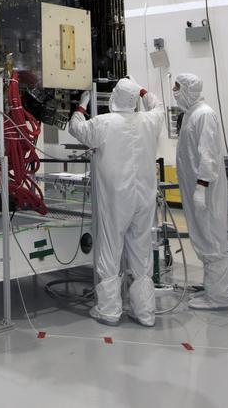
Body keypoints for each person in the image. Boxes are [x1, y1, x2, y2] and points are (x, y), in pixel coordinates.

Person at [66, 78, 162, 326]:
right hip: (144, 199)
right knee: (141, 251)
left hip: (117, 199)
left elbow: (76, 128)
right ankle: (144, 312)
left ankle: (109, 310)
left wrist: (81, 105)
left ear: (115, 98)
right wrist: (140, 89)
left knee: (110, 248)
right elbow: (157, 104)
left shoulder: (104, 123)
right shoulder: (150, 121)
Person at [174, 73, 228, 310]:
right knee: (202, 236)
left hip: (204, 190)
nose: (175, 92)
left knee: (211, 238)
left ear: (189, 89)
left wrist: (201, 186)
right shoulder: (192, 114)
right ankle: (211, 292)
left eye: (177, 88)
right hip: (195, 188)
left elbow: (207, 155)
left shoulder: (204, 114)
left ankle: (218, 298)